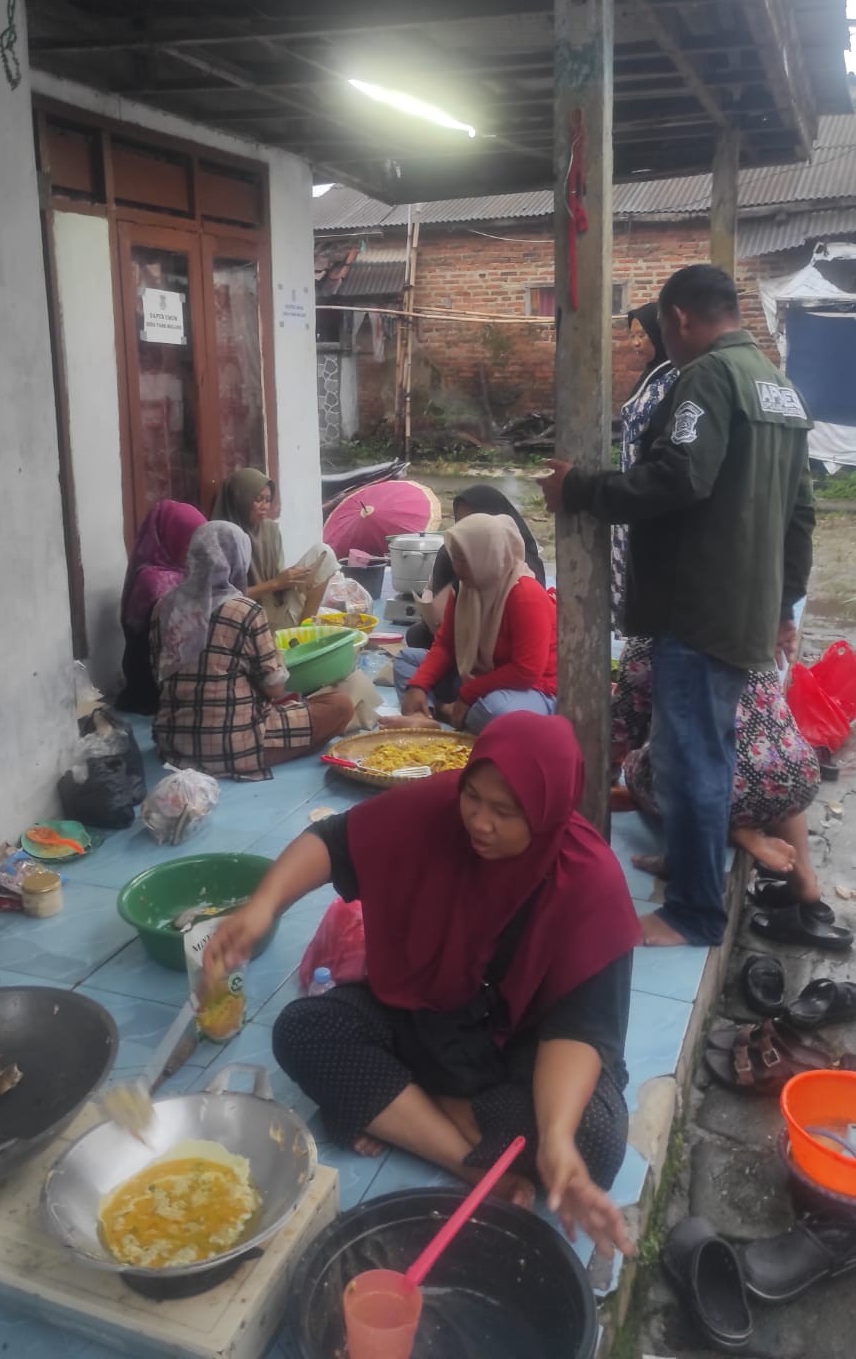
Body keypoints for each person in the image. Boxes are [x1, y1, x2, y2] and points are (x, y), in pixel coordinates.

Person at [206, 713, 639, 1257]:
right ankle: (473, 1164)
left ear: (549, 813)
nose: (479, 822)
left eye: (505, 812)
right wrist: (263, 906)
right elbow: (332, 842)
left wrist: (554, 1141)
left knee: (591, 1145)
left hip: (524, 1055)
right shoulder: (435, 812)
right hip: (427, 1017)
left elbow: (578, 1030)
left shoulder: (590, 885)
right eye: (473, 797)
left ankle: (405, 1107)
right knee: (305, 1029)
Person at [541, 264, 814, 948]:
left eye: (663, 326)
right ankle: (690, 866)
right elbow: (802, 515)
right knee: (701, 748)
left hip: (697, 607)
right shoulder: (779, 388)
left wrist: (585, 490)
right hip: (741, 609)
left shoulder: (706, 378)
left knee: (693, 757)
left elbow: (680, 475)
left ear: (682, 319)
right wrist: (783, 607)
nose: (665, 339)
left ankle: (692, 913)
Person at [613, 640, 823, 905]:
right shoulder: (751, 626)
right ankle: (806, 880)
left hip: (720, 785)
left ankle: (738, 833)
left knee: (641, 767)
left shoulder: (649, 643)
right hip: (799, 773)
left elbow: (623, 732)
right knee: (772, 766)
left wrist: (605, 776)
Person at [150, 521, 353, 780]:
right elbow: (274, 688)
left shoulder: (163, 608)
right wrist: (278, 660)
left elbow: (161, 675)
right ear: (238, 559)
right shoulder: (244, 611)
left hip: (173, 744)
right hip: (234, 746)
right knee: (340, 705)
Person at [394, 514, 557, 734]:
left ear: (487, 556)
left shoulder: (525, 594)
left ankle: (442, 711)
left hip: (531, 688)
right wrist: (418, 685)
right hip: (476, 676)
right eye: (456, 559)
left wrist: (468, 693)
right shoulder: (465, 589)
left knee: (496, 712)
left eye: (464, 560)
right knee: (406, 661)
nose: (457, 568)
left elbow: (526, 671)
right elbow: (445, 645)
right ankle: (425, 716)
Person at [406, 484, 546, 650]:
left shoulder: (523, 574)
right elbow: (442, 621)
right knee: (416, 637)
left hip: (499, 644)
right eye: (460, 522)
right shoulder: (452, 555)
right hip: (461, 633)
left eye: (473, 521)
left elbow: (527, 668)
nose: (465, 529)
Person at [611, 305, 677, 630]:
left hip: (646, 486)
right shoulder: (652, 375)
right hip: (631, 481)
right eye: (632, 335)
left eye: (643, 334)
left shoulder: (673, 377)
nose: (636, 342)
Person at [116, 500, 206, 715]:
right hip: (152, 692)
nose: (196, 549)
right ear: (173, 536)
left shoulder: (183, 572)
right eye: (190, 540)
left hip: (172, 682)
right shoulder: (153, 581)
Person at [212, 468, 327, 629]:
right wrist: (275, 583)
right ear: (240, 500)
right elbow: (223, 598)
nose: (265, 506)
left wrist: (291, 577)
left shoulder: (271, 530)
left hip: (276, 605)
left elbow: (279, 577)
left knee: (323, 553)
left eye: (268, 500)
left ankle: (303, 633)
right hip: (245, 618)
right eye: (258, 499)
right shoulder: (224, 537)